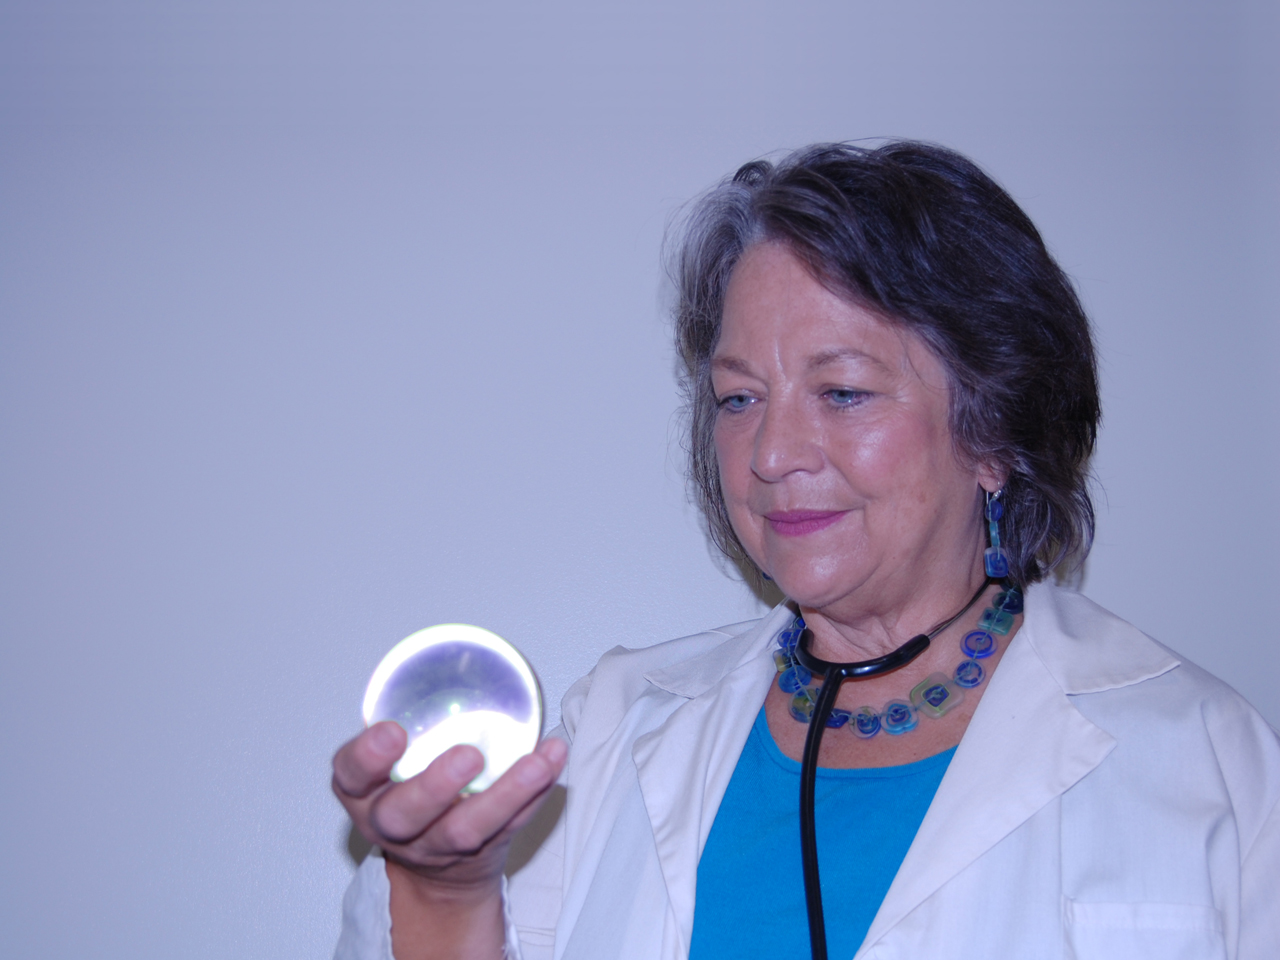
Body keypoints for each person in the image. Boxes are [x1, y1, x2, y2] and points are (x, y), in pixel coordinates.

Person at [331, 142, 1280, 960]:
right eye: (739, 399)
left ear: (995, 433)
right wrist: (445, 890)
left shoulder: (1205, 756)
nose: (772, 455)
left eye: (844, 392)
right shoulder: (615, 728)